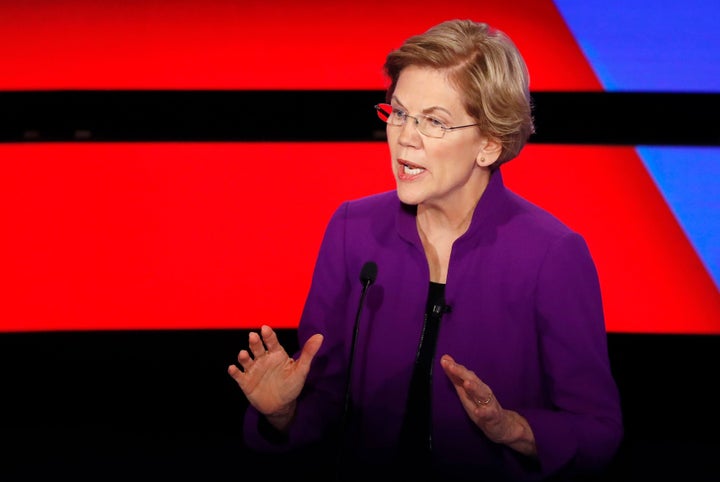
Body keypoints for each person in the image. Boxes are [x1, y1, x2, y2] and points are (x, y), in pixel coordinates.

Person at [228, 19, 623, 482]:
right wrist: (283, 415)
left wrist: (512, 428)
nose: (405, 138)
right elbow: (325, 406)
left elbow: (597, 432)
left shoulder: (552, 255)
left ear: (490, 144)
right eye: (398, 113)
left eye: (433, 121)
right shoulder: (352, 229)